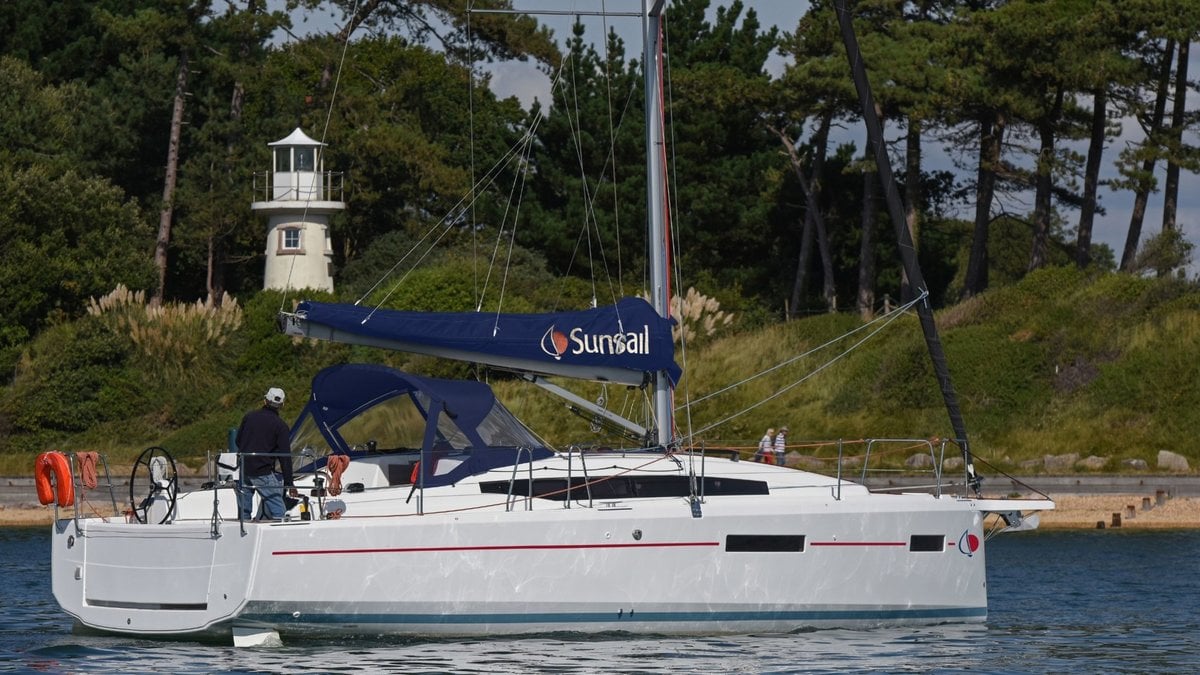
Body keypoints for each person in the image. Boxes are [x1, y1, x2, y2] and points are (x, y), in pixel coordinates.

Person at [235, 387, 295, 520]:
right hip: (262, 471)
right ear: (282, 405)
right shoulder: (280, 426)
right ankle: (279, 535)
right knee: (279, 510)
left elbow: (238, 441)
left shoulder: (249, 417)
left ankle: (242, 534)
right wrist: (289, 482)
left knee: (244, 512)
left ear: (265, 401)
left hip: (244, 468)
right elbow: (285, 457)